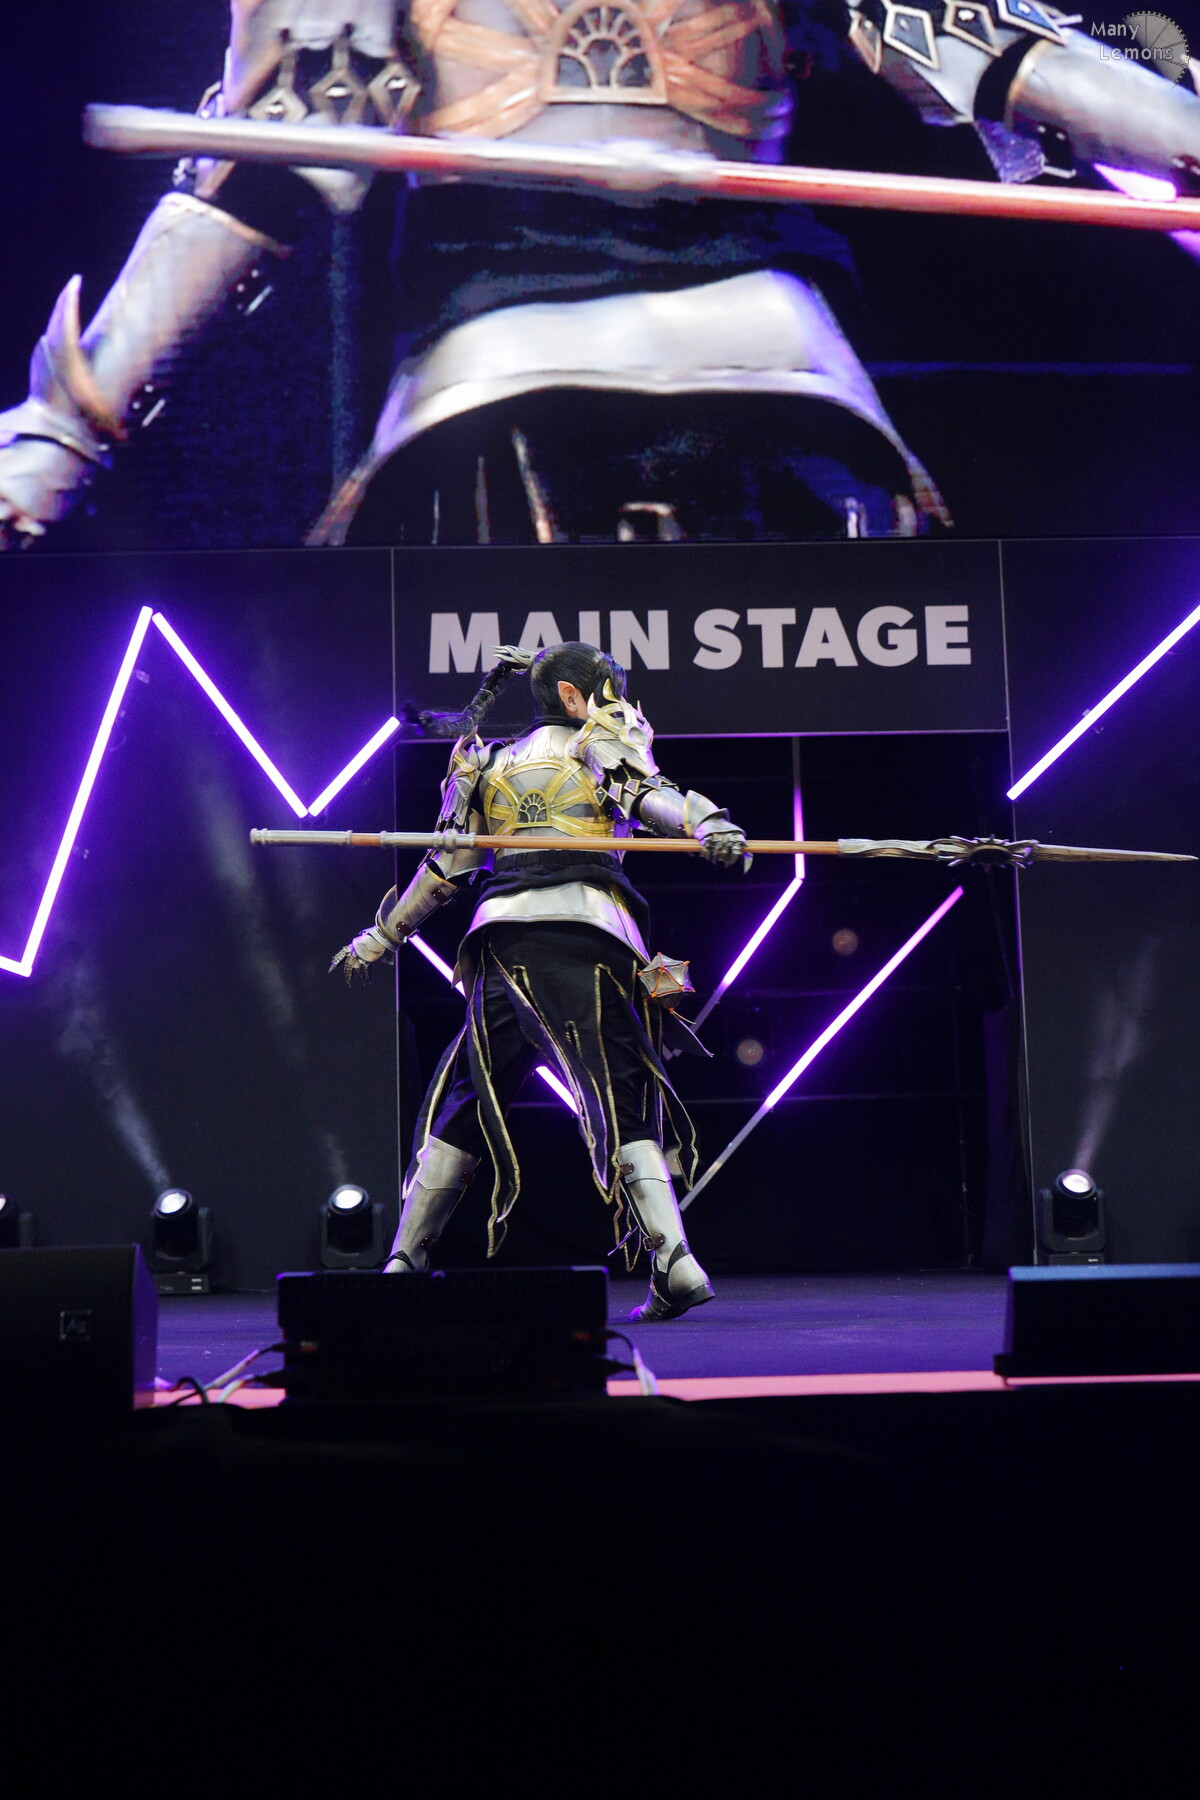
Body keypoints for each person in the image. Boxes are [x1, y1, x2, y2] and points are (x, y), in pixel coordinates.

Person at [2, 0, 1196, 548]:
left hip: (753, 360)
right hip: (525, 372)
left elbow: (998, 48)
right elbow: (267, 170)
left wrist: (63, 436)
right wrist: (61, 434)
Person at [330, 640, 748, 1321]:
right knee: (616, 1095)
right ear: (574, 697)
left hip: (504, 948)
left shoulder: (487, 764)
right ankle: (674, 1260)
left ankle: (405, 1258)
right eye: (609, 691)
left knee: (468, 1095)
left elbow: (445, 868)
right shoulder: (598, 741)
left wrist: (382, 936)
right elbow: (649, 794)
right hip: (585, 941)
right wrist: (707, 823)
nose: (618, 704)